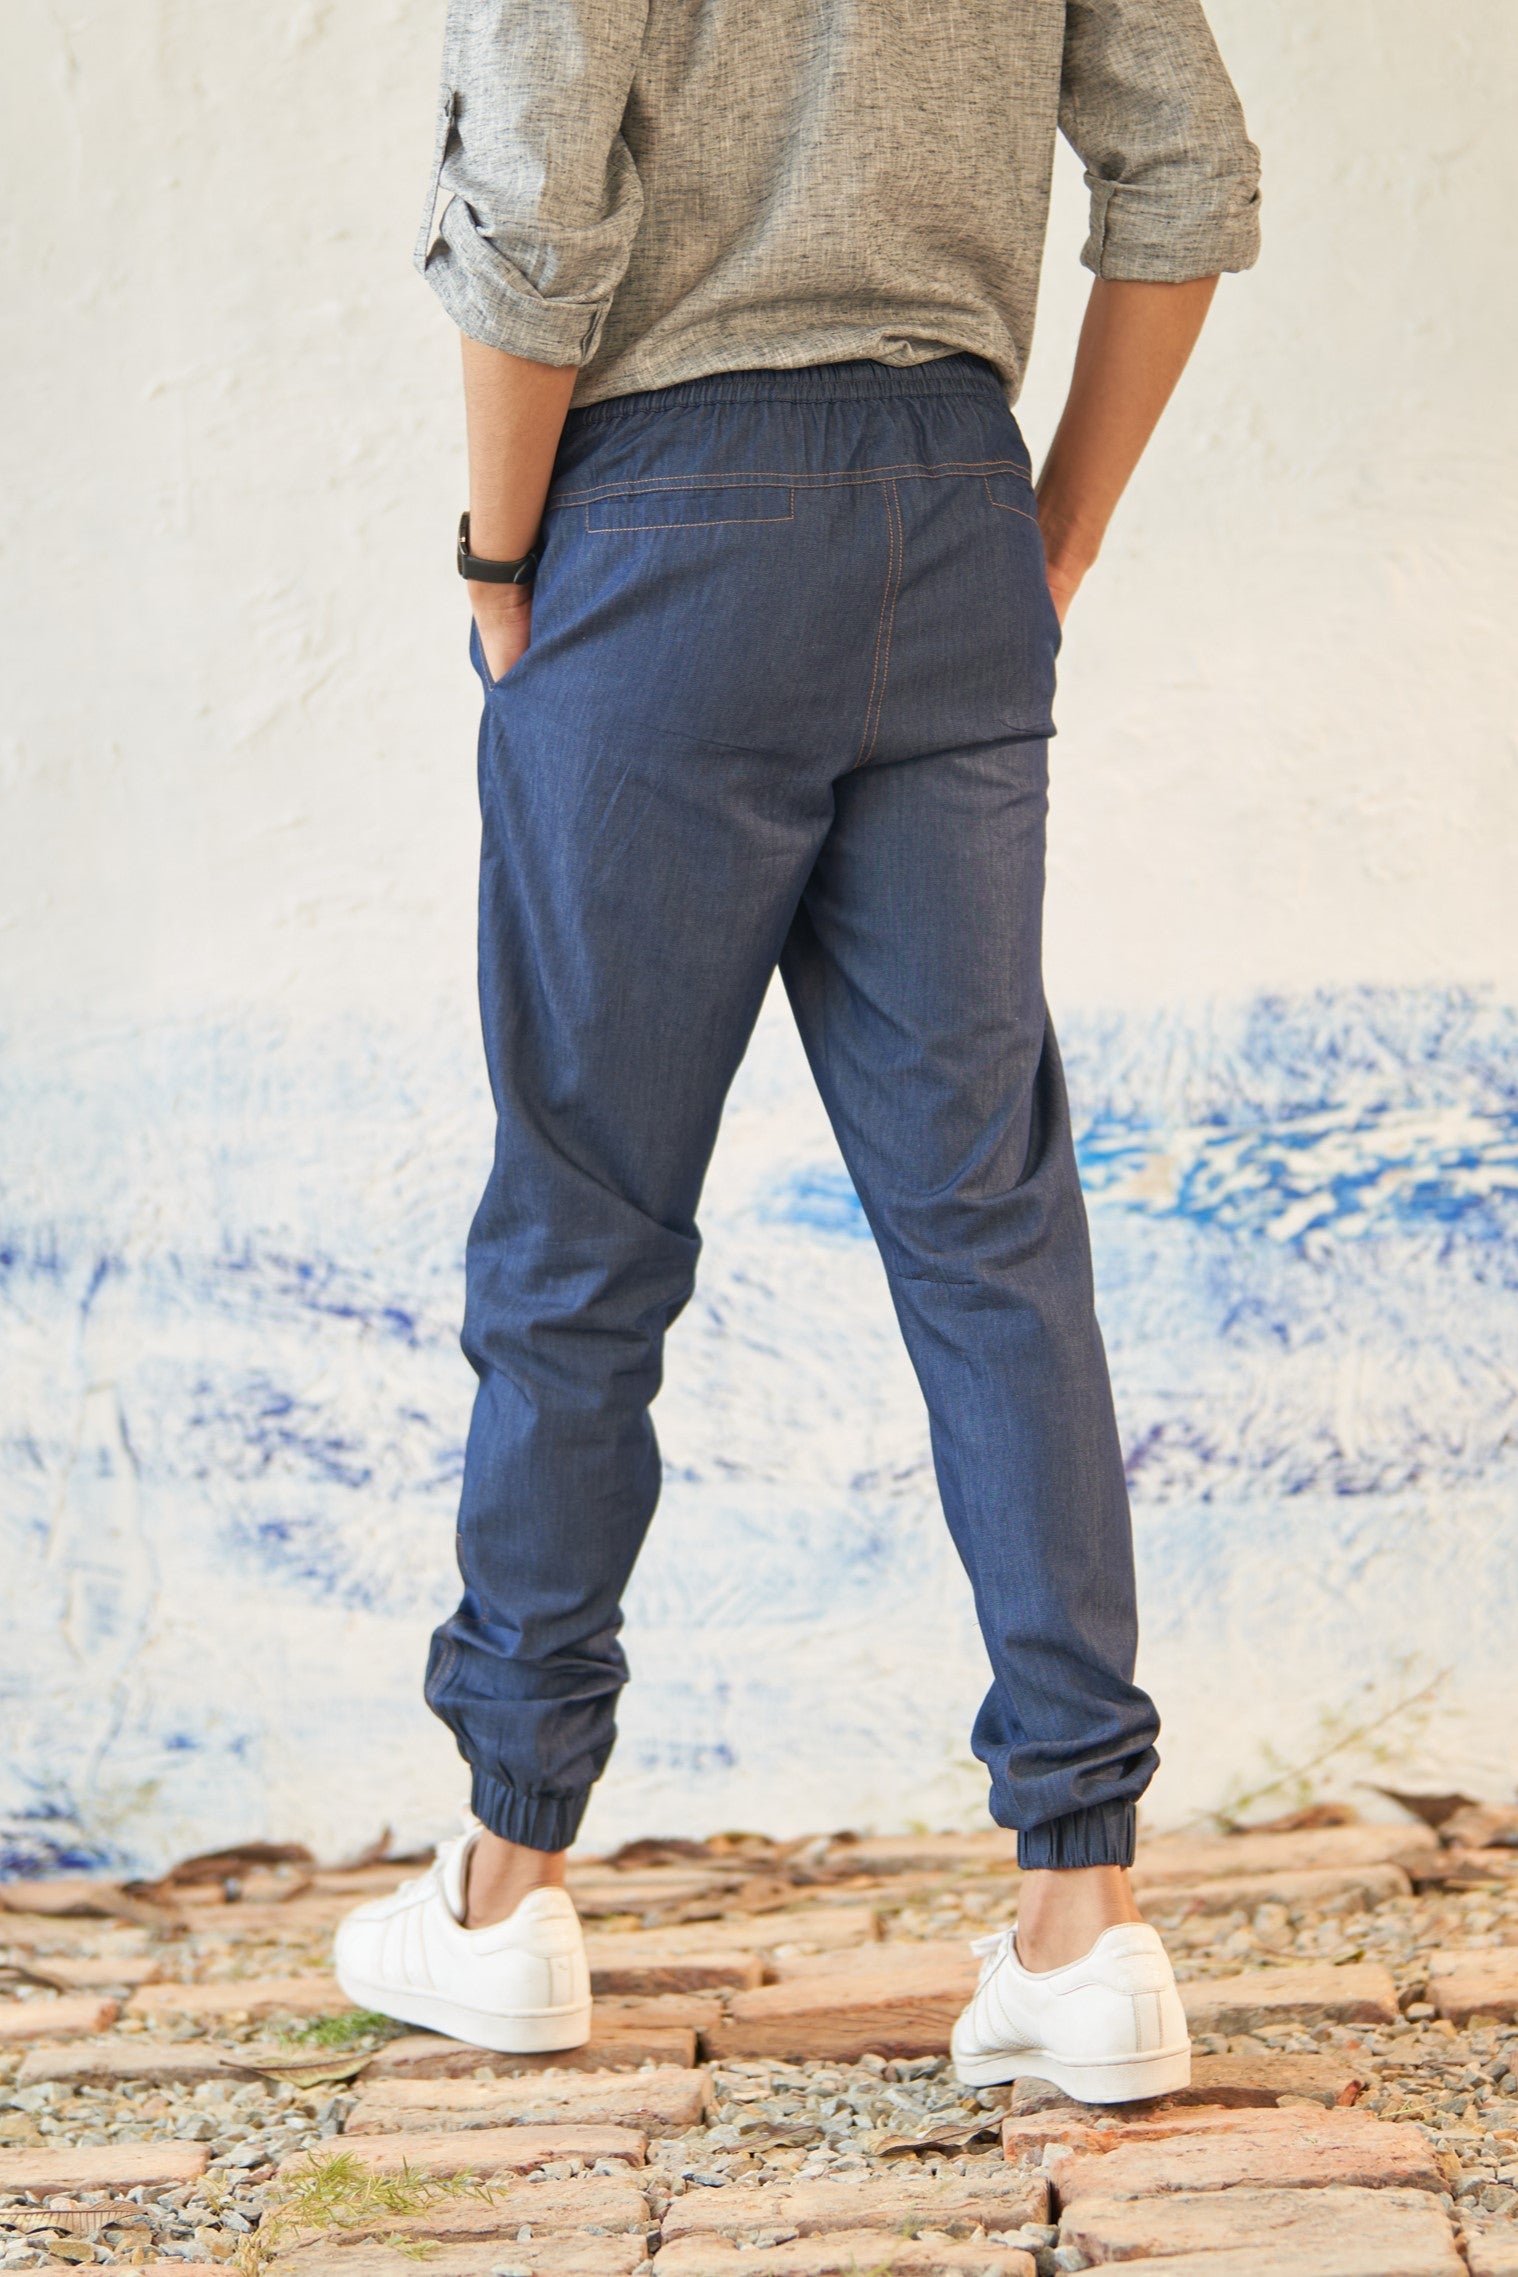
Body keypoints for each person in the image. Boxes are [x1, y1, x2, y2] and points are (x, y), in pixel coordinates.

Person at [336, 0, 1260, 2101]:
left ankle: (503, 1886)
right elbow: (1189, 167)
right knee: (989, 1229)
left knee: (585, 1223)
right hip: (951, 511)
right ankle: (1085, 1915)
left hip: (659, 519)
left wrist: (500, 552)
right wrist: (1053, 531)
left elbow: (532, 199)